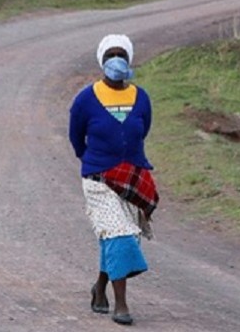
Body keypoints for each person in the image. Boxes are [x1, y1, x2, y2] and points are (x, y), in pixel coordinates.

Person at [68, 33, 158, 326]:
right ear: (102, 62)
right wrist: (95, 161)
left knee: (120, 236)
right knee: (119, 234)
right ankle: (121, 304)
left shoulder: (140, 98)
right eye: (111, 56)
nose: (116, 60)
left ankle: (100, 288)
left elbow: (141, 132)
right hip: (97, 179)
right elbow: (76, 138)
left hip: (130, 177)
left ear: (129, 60)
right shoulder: (85, 99)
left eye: (121, 55)